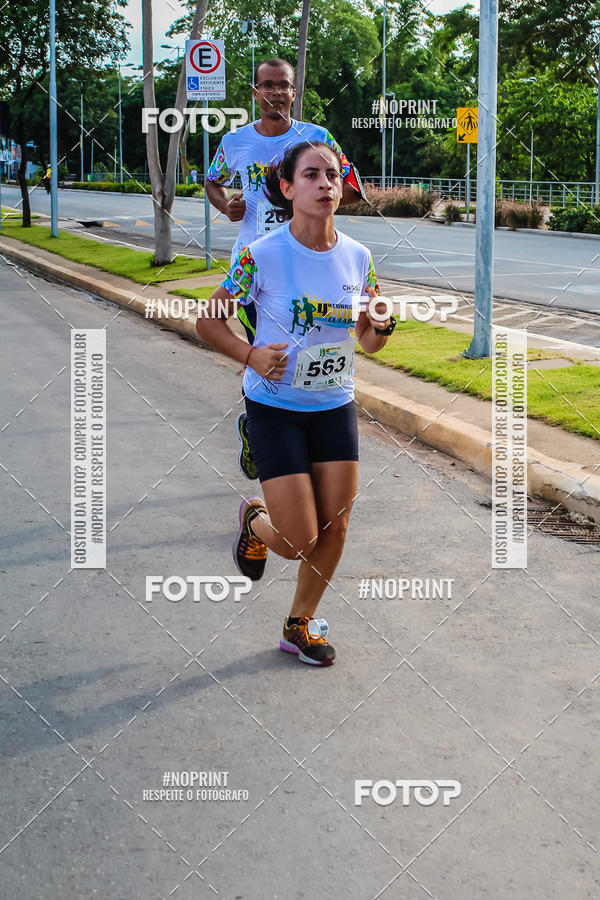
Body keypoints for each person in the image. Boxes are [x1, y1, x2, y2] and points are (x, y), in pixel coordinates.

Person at [196, 141, 396, 667]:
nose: (326, 183)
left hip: (334, 405)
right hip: (275, 407)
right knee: (296, 539)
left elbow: (370, 341)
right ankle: (255, 523)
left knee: (335, 527)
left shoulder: (359, 257)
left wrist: (379, 326)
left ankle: (299, 625)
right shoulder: (260, 254)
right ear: (287, 188)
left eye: (333, 175)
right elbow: (208, 321)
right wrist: (251, 355)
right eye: (311, 175)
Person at [205, 57, 363, 483]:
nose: (276, 92)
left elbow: (353, 190)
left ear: (294, 93)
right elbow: (212, 179)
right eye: (267, 85)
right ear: (255, 93)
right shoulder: (235, 142)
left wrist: (308, 204)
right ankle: (264, 427)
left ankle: (305, 431)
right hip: (259, 265)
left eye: (284, 86)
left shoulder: (317, 138)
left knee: (312, 344)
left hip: (314, 261)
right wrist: (226, 206)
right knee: (266, 352)